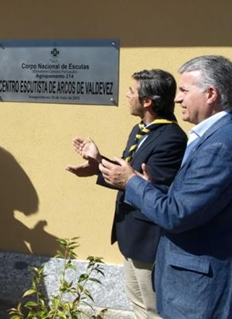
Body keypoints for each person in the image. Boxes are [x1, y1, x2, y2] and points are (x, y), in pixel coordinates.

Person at [100, 55, 232, 319]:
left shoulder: (220, 145)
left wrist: (132, 182)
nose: (176, 98)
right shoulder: (215, 135)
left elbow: (177, 215)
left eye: (184, 91)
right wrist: (151, 187)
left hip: (202, 294)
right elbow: (193, 203)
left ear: (210, 93)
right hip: (195, 289)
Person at [66, 69, 187, 319]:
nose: (127, 95)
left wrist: (116, 171)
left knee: (154, 310)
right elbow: (127, 176)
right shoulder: (139, 130)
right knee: (138, 305)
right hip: (129, 233)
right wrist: (96, 163)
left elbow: (151, 191)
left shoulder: (171, 138)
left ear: (147, 101)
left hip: (149, 239)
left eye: (132, 91)